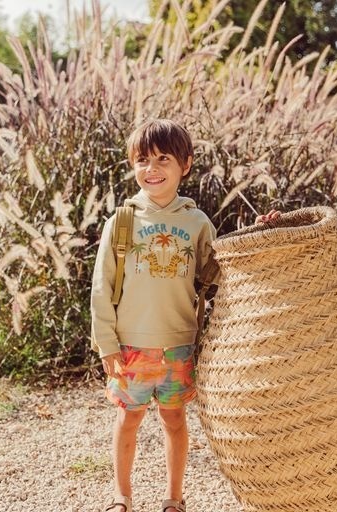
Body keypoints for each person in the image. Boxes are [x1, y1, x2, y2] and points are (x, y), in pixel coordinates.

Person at [90, 119, 280, 512]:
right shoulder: (122, 222)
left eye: (163, 159)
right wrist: (106, 342)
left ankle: (174, 499)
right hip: (130, 344)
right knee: (128, 420)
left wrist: (258, 237)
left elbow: (221, 271)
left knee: (174, 421)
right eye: (143, 160)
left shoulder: (196, 222)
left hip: (179, 343)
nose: (152, 168)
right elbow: (101, 287)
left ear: (186, 164)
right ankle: (121, 497)